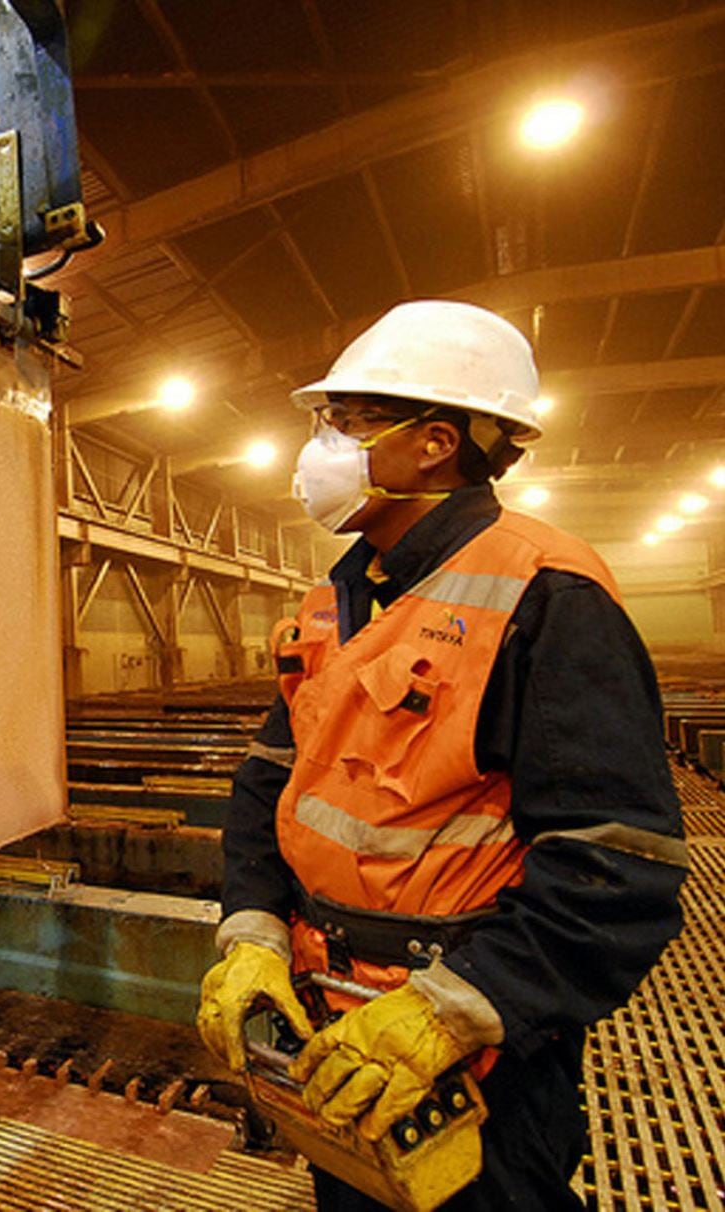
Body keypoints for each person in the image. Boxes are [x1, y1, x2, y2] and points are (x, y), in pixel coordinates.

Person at [194, 300, 688, 1209]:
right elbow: (269, 787)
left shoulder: (548, 595)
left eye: (348, 422)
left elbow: (617, 866)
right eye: (326, 423)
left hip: (469, 1052)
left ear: (433, 443)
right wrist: (255, 935)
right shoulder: (334, 602)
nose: (324, 446)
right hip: (331, 1027)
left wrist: (449, 1009)